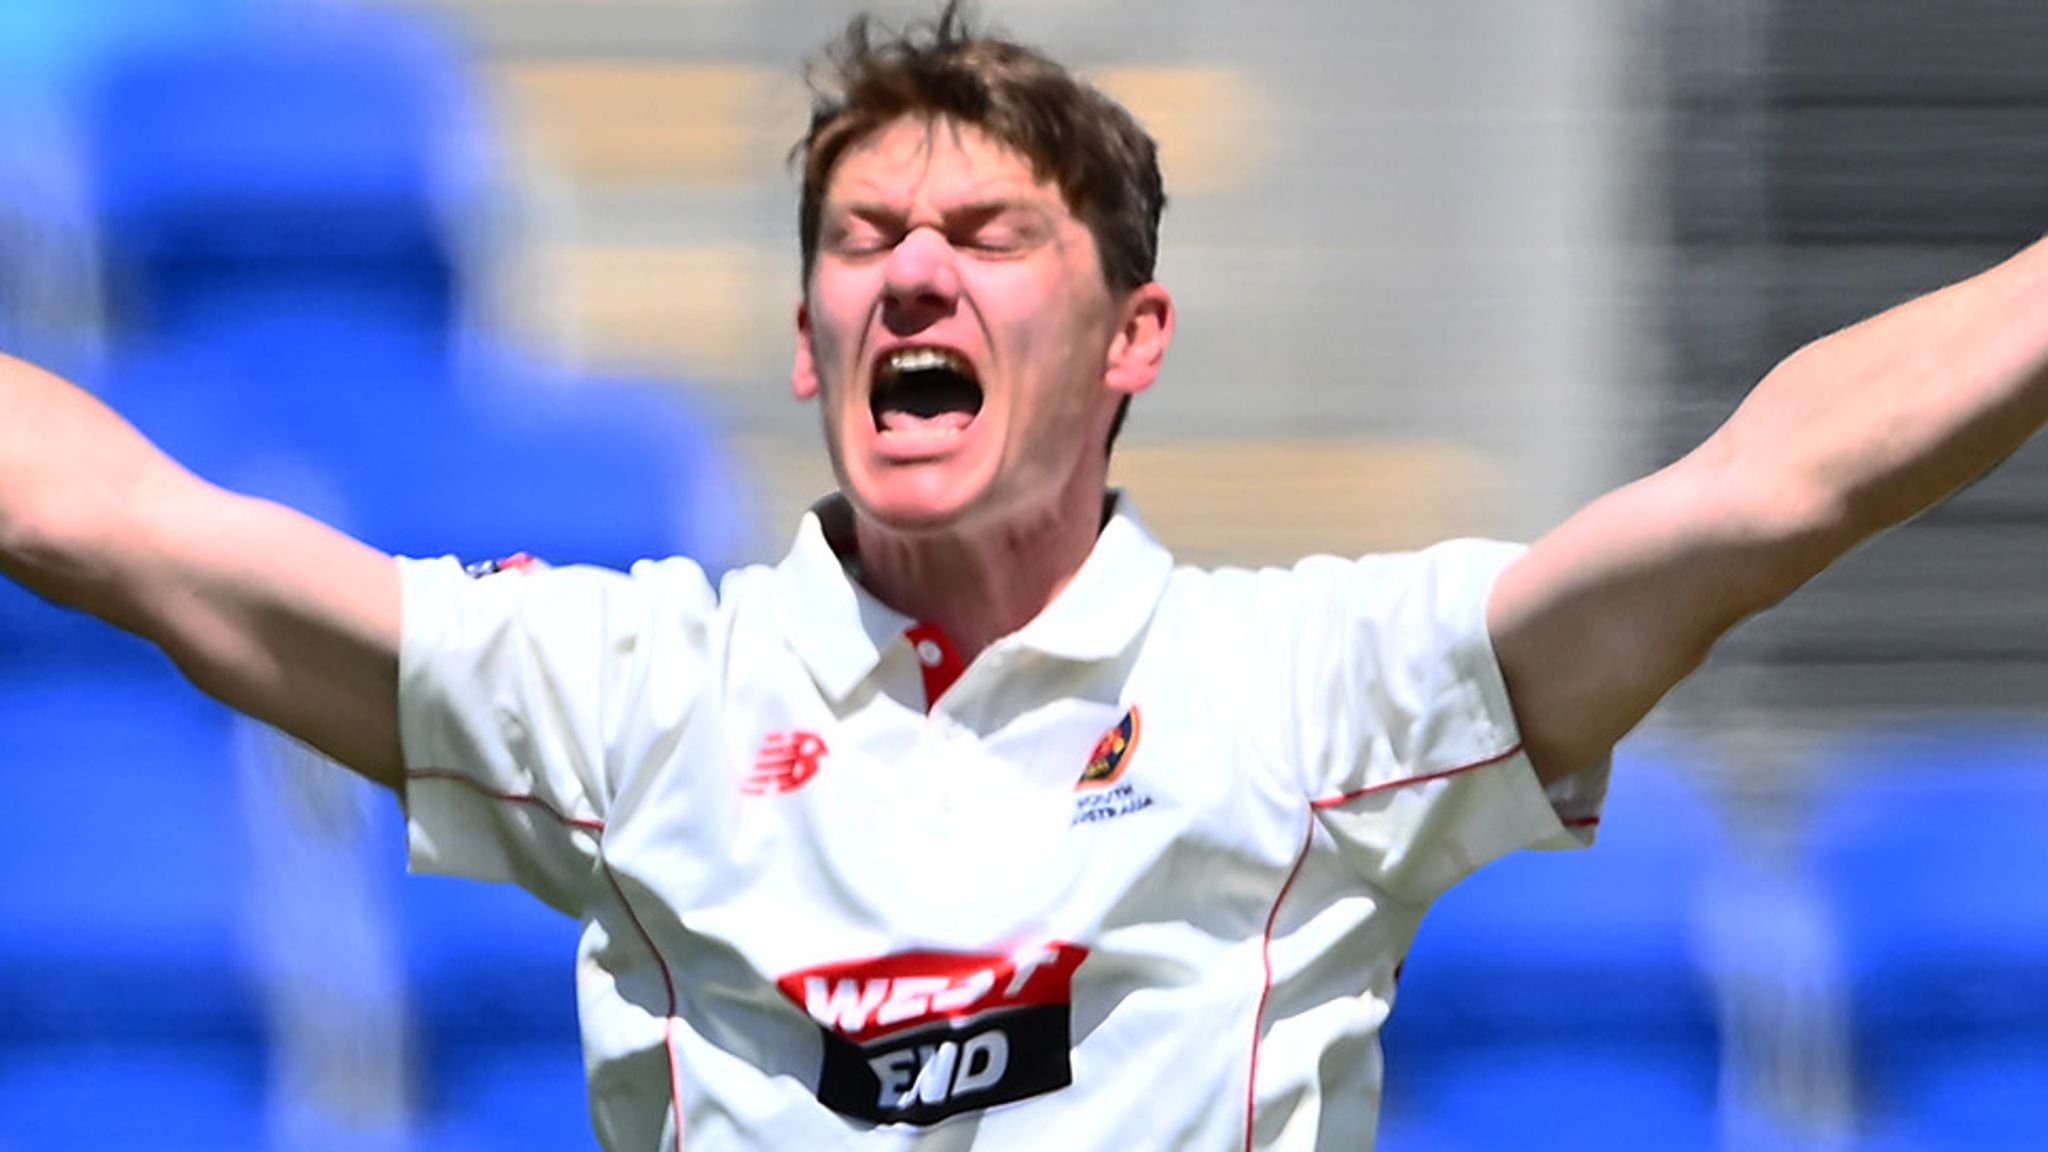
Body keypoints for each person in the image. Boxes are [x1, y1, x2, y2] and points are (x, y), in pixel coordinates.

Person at [2, 5, 2046, 1149]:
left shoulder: (1317, 693)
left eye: (987, 234)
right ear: (806, 350)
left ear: (1131, 337)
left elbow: (1772, 489)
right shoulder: (630, 698)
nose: (910, 266)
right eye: (863, 235)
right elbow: (132, 528)